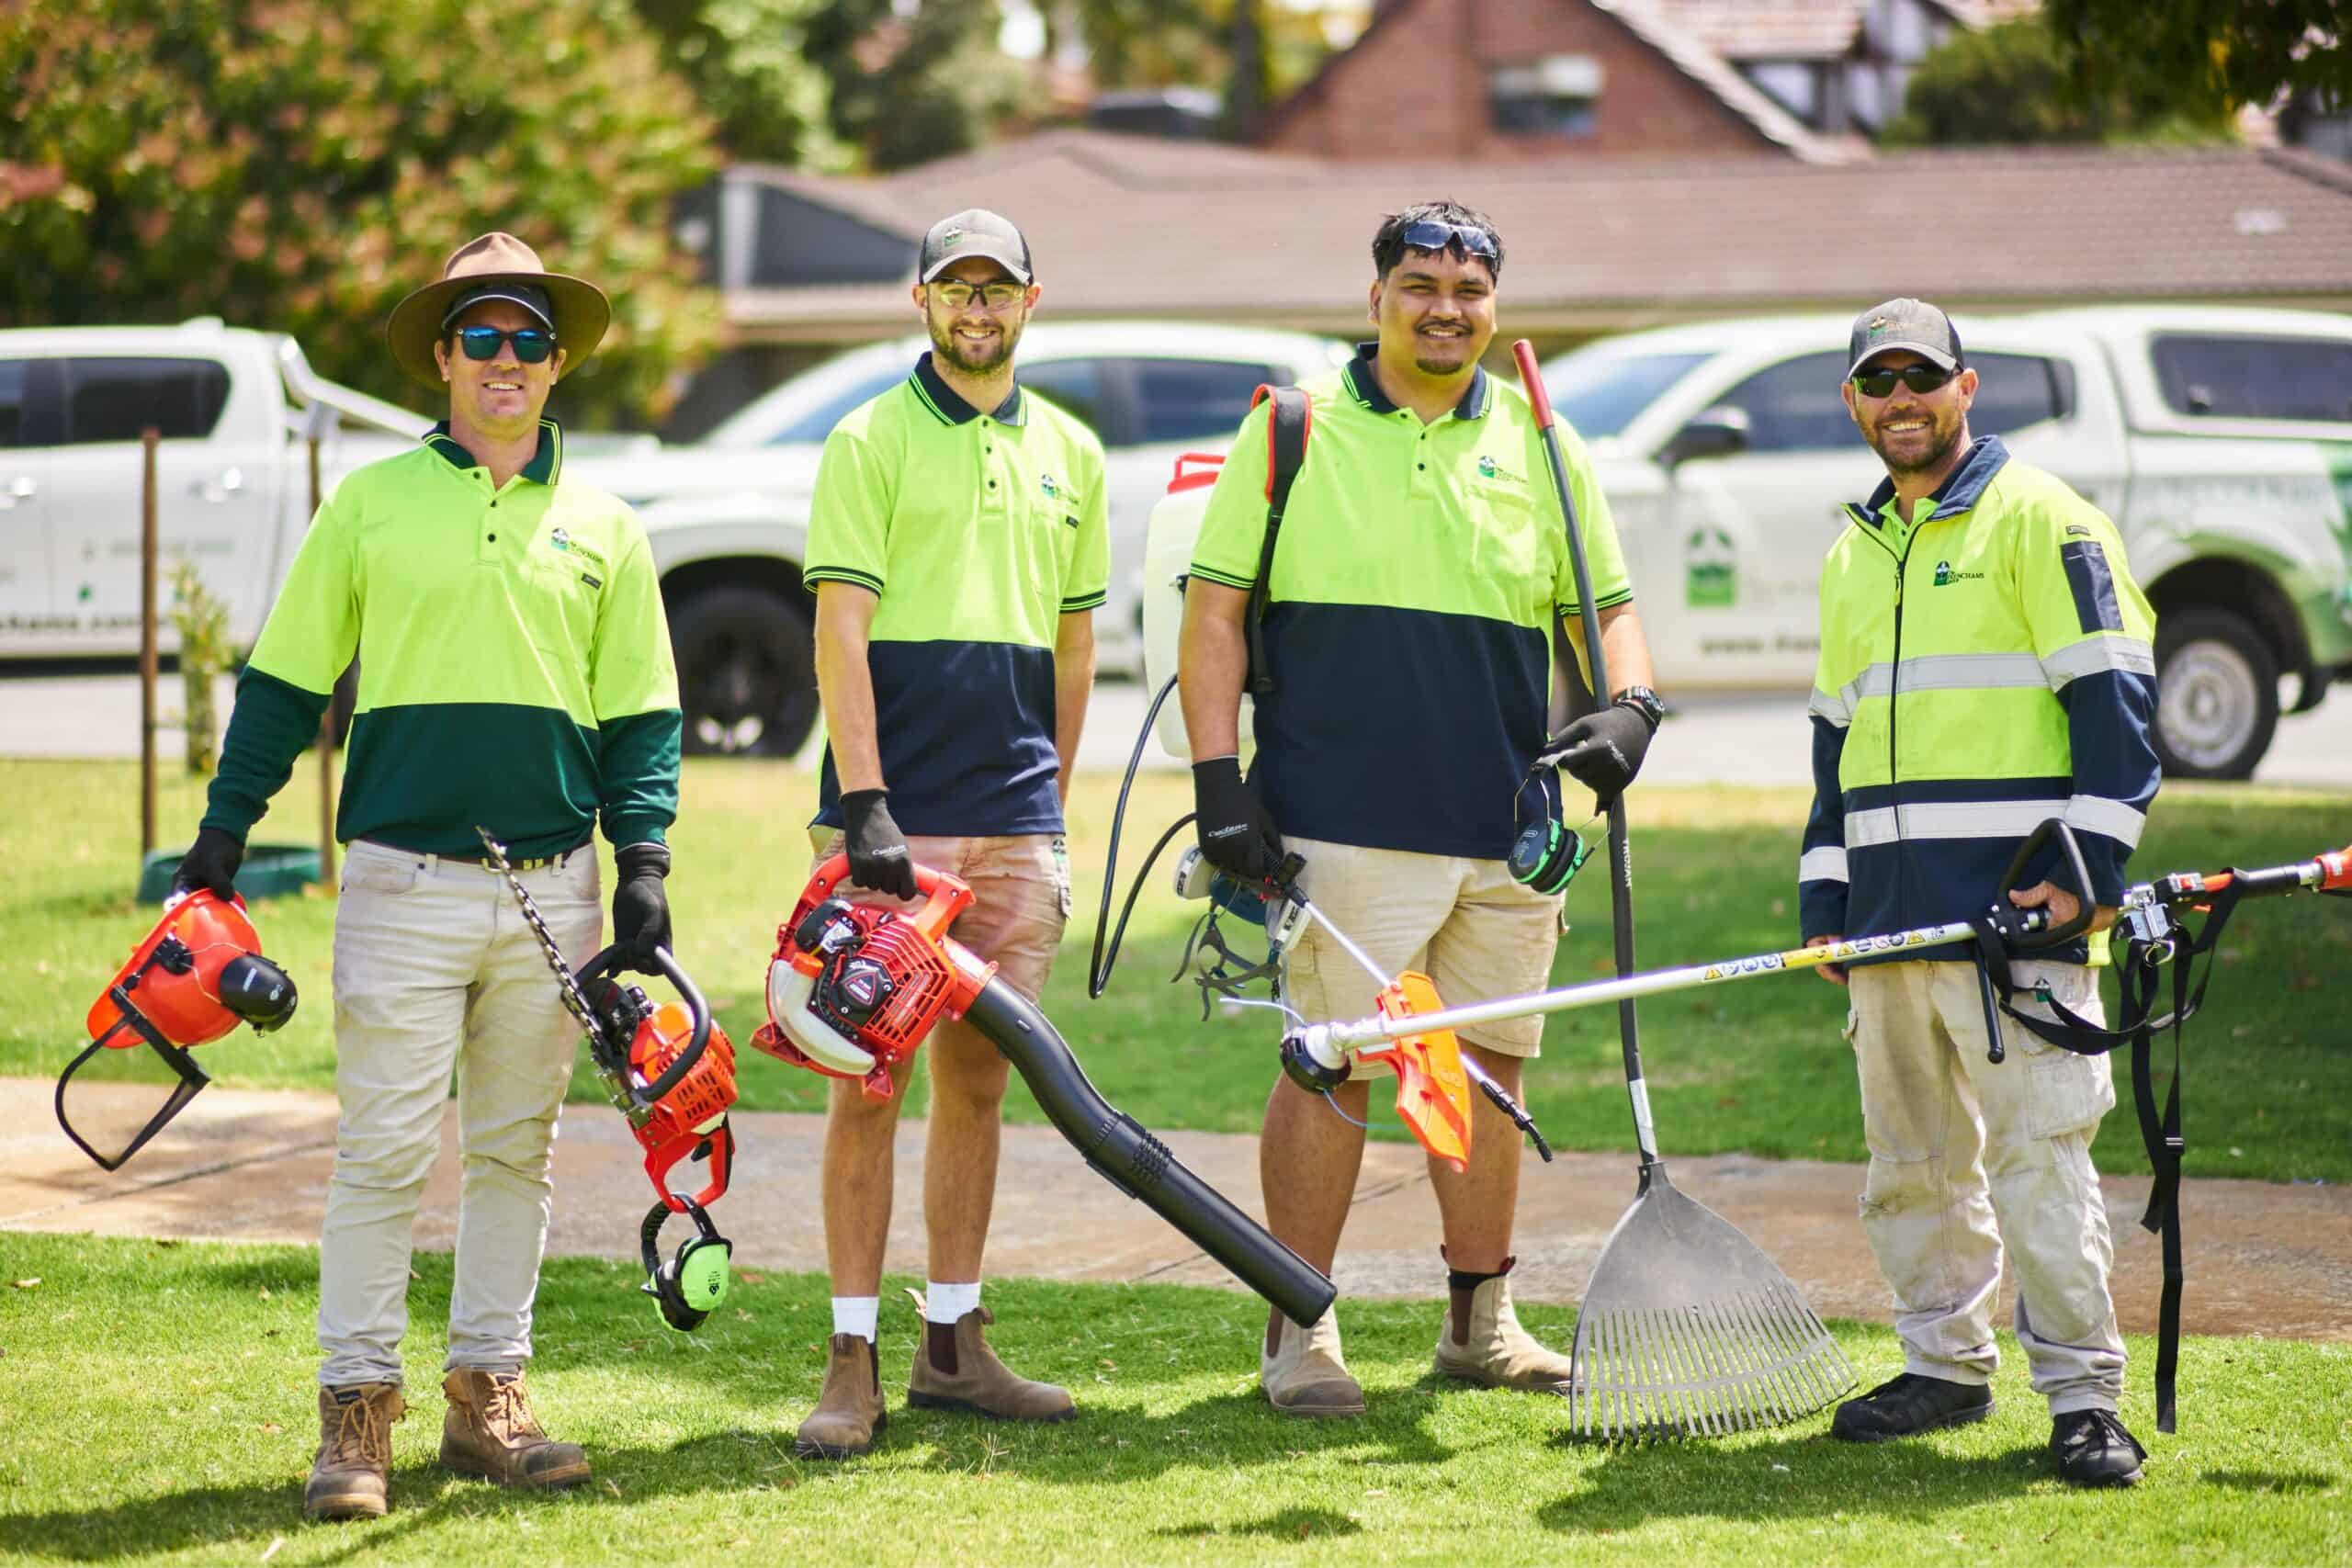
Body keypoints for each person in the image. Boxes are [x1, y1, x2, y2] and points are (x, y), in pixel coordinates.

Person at [177, 232, 682, 1520]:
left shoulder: (608, 524)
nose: (504, 361)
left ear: (557, 362)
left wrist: (645, 867)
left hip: (558, 892)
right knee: (383, 1156)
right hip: (401, 883)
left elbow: (640, 720)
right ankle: (355, 1413)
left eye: (527, 339)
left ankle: (487, 1399)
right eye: (481, 338)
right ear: (445, 359)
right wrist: (225, 835)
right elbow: (287, 681)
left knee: (518, 1152)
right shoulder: (369, 502)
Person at [1179, 200, 1662, 1417]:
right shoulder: (1292, 429)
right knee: (1331, 1067)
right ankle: (1301, 1330)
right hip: (1341, 823)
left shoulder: (1550, 447)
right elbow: (1216, 611)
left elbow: (1606, 609)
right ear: (1377, 297)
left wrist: (1634, 706)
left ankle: (1481, 1329)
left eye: (1469, 291)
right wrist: (1217, 781)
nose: (1447, 309)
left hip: (1507, 827)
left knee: (1493, 1071)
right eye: (1421, 286)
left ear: (1495, 306)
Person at [1799, 298, 2160, 1487]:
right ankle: (1943, 1370)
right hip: (1890, 925)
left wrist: (2084, 876)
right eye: (1876, 382)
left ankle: (2083, 1399)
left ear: (1965, 385)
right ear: (1855, 402)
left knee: (2041, 1165)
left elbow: (2118, 712)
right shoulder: (1856, 548)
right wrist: (1825, 906)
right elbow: (1832, 750)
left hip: (2019, 927)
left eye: (1920, 377)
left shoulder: (2044, 519)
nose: (1900, 400)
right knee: (1909, 1169)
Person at [792, 209, 1107, 1460]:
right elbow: (841, 628)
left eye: (999, 290)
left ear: (1033, 299)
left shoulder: (1073, 452)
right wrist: (866, 803)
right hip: (895, 820)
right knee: (867, 1083)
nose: (977, 311)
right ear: (920, 298)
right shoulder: (867, 438)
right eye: (955, 289)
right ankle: (850, 1358)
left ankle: (954, 1344)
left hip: (1016, 819)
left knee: (978, 1086)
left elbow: (1075, 644)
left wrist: (1053, 804)